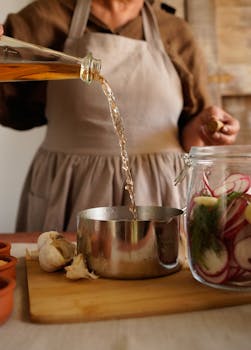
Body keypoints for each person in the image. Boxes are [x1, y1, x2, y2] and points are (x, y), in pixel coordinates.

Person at [0, 0, 240, 232]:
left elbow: (190, 132)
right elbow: (12, 110)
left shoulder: (176, 32)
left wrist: (205, 129)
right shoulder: (44, 17)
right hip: (69, 192)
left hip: (161, 197)